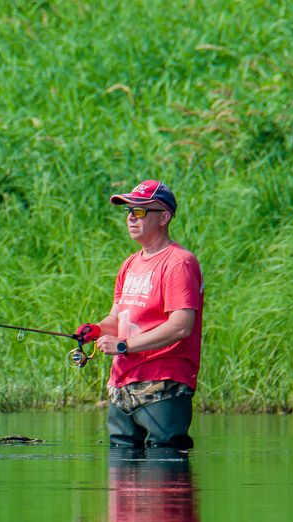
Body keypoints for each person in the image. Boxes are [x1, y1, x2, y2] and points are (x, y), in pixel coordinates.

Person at [75, 180, 204, 449]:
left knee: (164, 463)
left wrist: (124, 345)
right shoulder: (130, 264)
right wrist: (97, 330)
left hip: (163, 384)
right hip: (122, 386)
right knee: (121, 466)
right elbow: (117, 319)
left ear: (164, 217)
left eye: (141, 211)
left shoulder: (179, 262)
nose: (131, 217)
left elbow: (181, 325)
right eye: (129, 211)